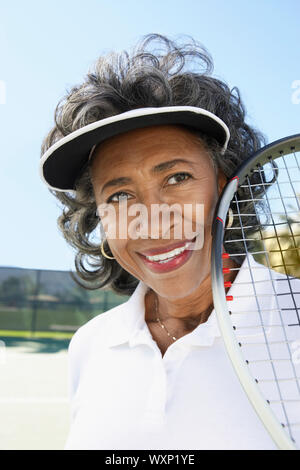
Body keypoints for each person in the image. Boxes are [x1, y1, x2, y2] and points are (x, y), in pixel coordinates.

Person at [39, 34, 280, 450]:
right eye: (120, 195)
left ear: (224, 184)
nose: (153, 221)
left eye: (177, 178)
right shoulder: (91, 345)